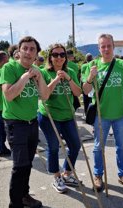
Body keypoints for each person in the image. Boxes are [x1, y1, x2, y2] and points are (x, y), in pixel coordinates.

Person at [0, 36, 49, 208]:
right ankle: (15, 206)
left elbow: (44, 96)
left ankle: (24, 195)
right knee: (20, 166)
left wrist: (39, 78)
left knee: (28, 163)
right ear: (18, 51)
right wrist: (25, 77)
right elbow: (9, 95)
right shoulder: (9, 68)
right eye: (25, 48)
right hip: (16, 123)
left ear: (36, 54)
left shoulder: (37, 70)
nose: (28, 52)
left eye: (32, 49)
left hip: (32, 123)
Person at [83, 33, 123, 192]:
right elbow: (86, 91)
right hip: (101, 115)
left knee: (122, 147)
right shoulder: (91, 65)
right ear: (99, 48)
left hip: (120, 114)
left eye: (108, 45)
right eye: (102, 46)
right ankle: (98, 176)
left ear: (113, 46)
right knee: (98, 147)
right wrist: (90, 77)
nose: (106, 49)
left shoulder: (122, 65)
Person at [38, 43, 82, 193]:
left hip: (67, 115)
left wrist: (68, 79)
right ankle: (57, 177)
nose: (59, 58)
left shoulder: (70, 71)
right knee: (54, 146)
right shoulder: (44, 73)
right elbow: (44, 95)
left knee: (75, 145)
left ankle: (67, 174)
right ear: (50, 57)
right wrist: (56, 80)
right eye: (55, 55)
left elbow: (77, 93)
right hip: (49, 116)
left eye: (62, 54)